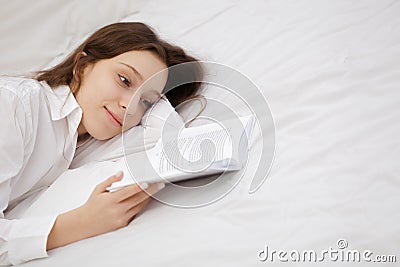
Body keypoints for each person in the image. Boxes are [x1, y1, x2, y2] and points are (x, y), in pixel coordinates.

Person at [0, 22, 202, 265]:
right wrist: (81, 222)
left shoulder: (81, 141)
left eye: (145, 102)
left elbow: (173, 147)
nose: (130, 106)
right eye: (124, 80)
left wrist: (155, 101)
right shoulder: (14, 105)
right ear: (82, 65)